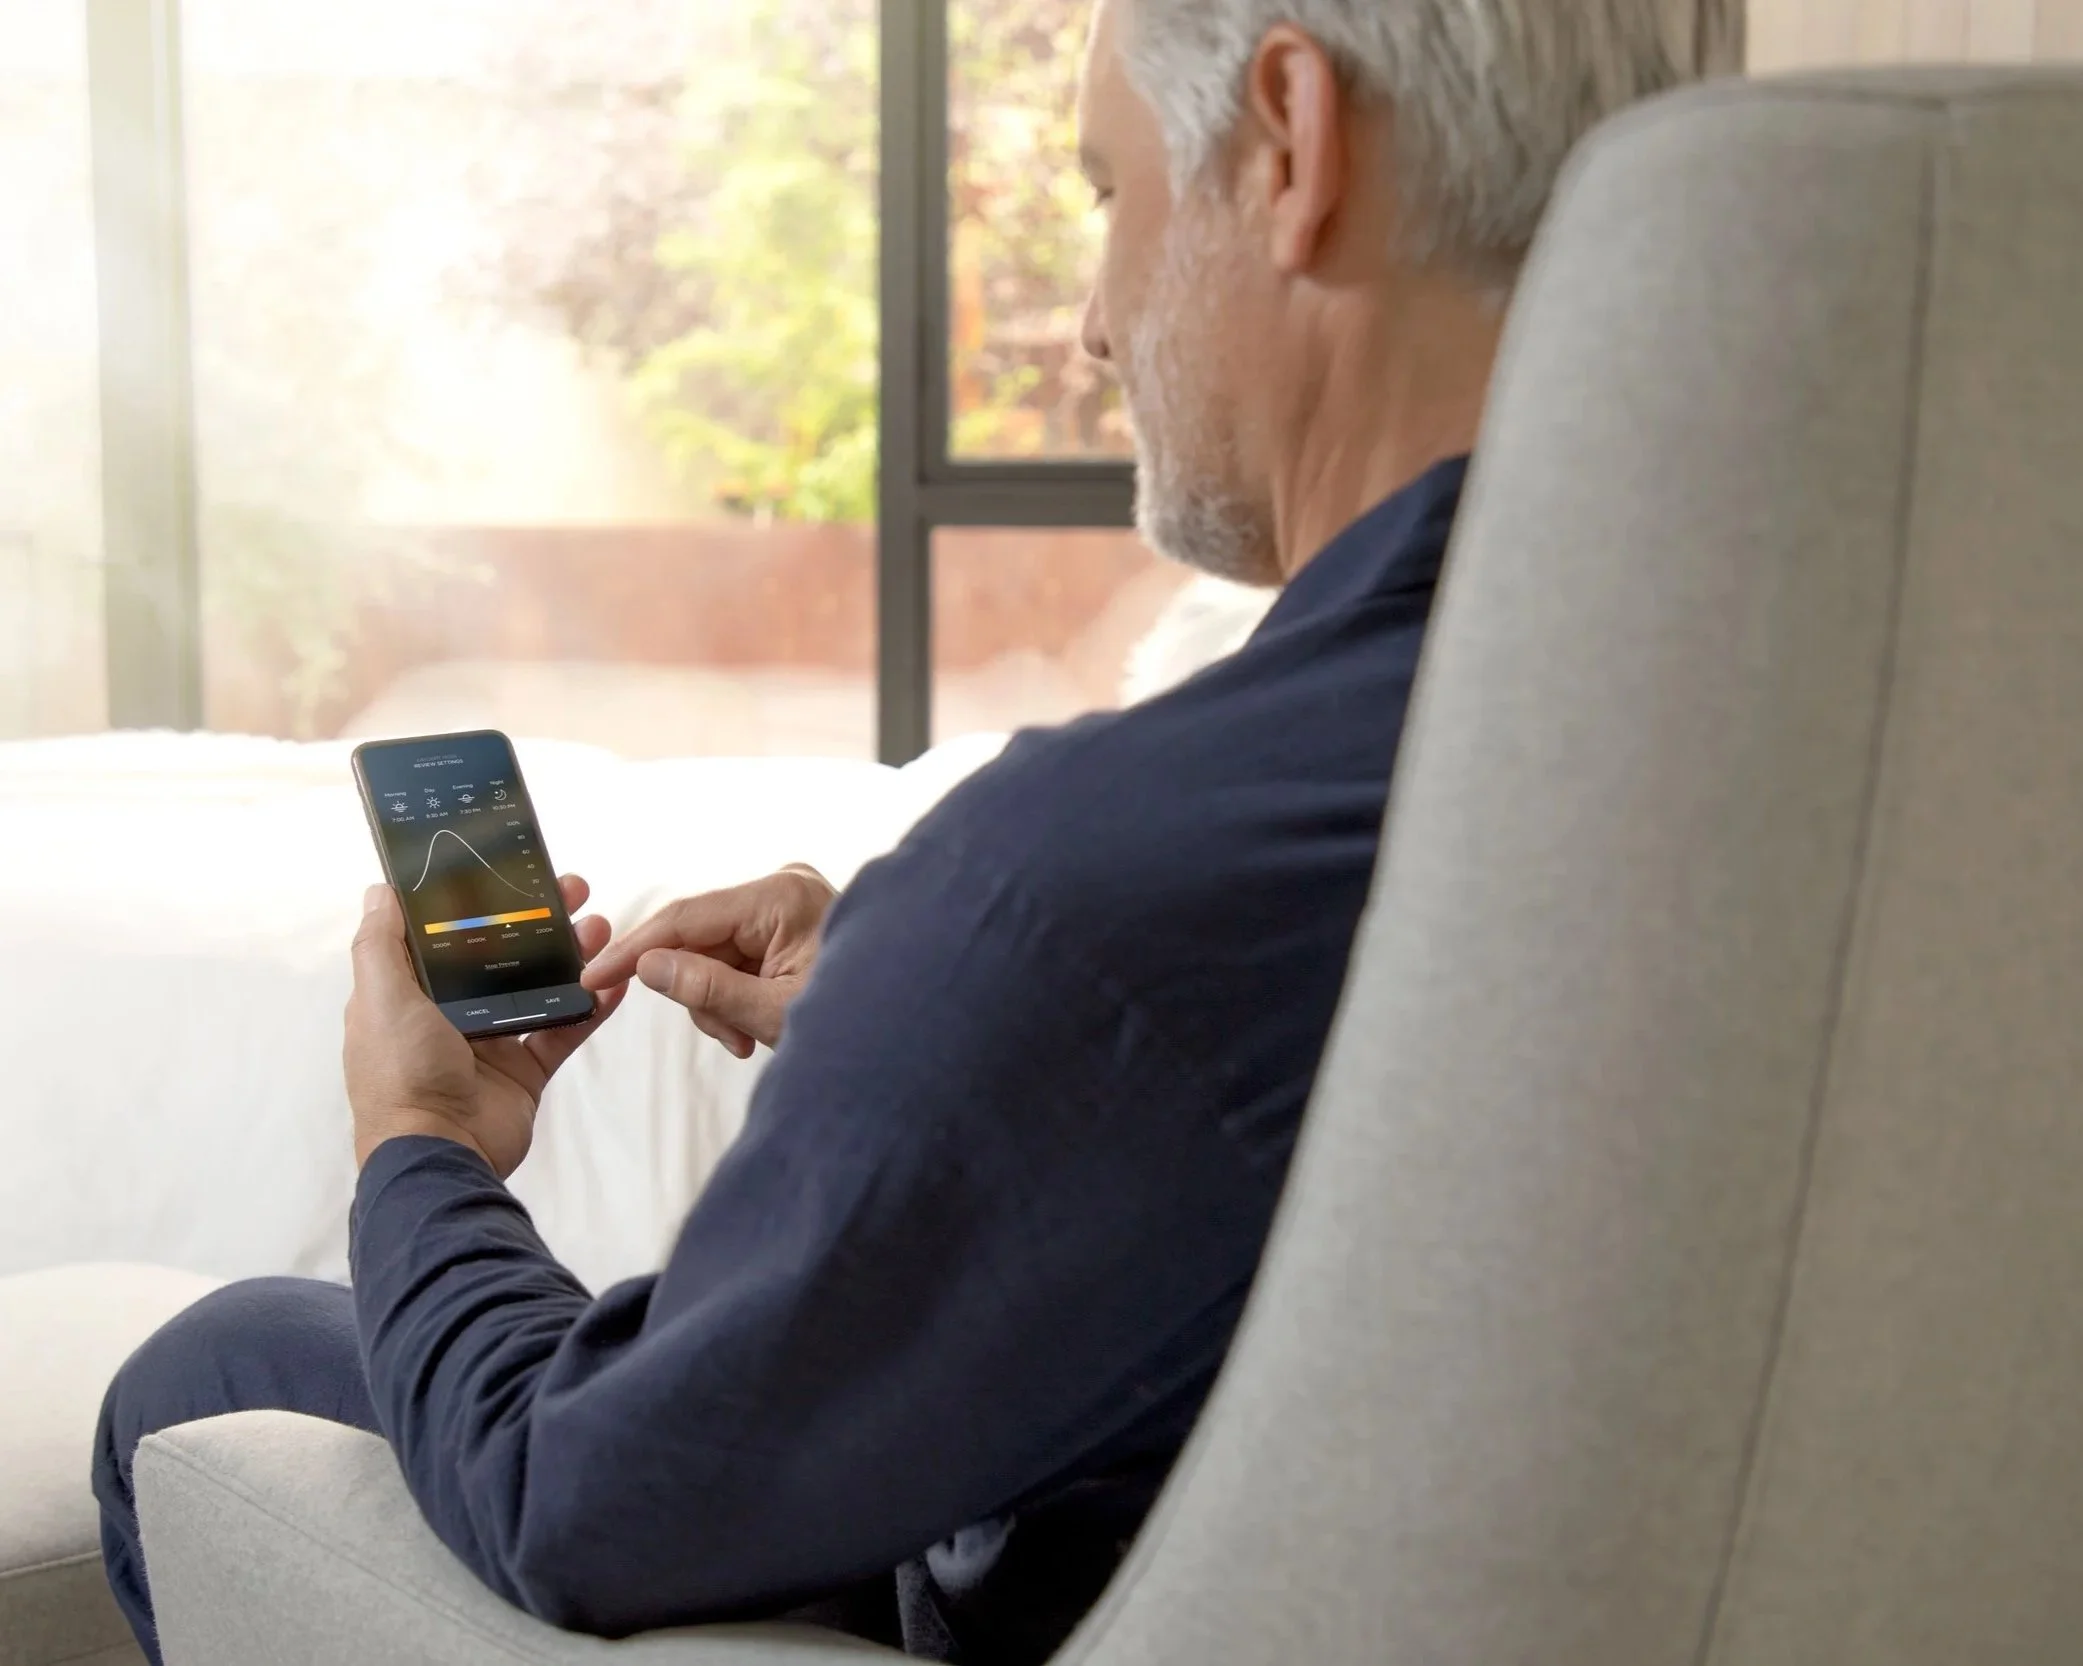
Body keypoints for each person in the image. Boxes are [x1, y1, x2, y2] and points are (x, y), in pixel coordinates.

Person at [94, 3, 1741, 1663]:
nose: (1093, 325)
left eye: (1105, 192)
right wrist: (931, 1019)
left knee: (202, 1370)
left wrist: (420, 1145)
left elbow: (569, 1496)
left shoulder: (1103, 882)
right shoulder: (1747, 721)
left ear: (1291, 144)